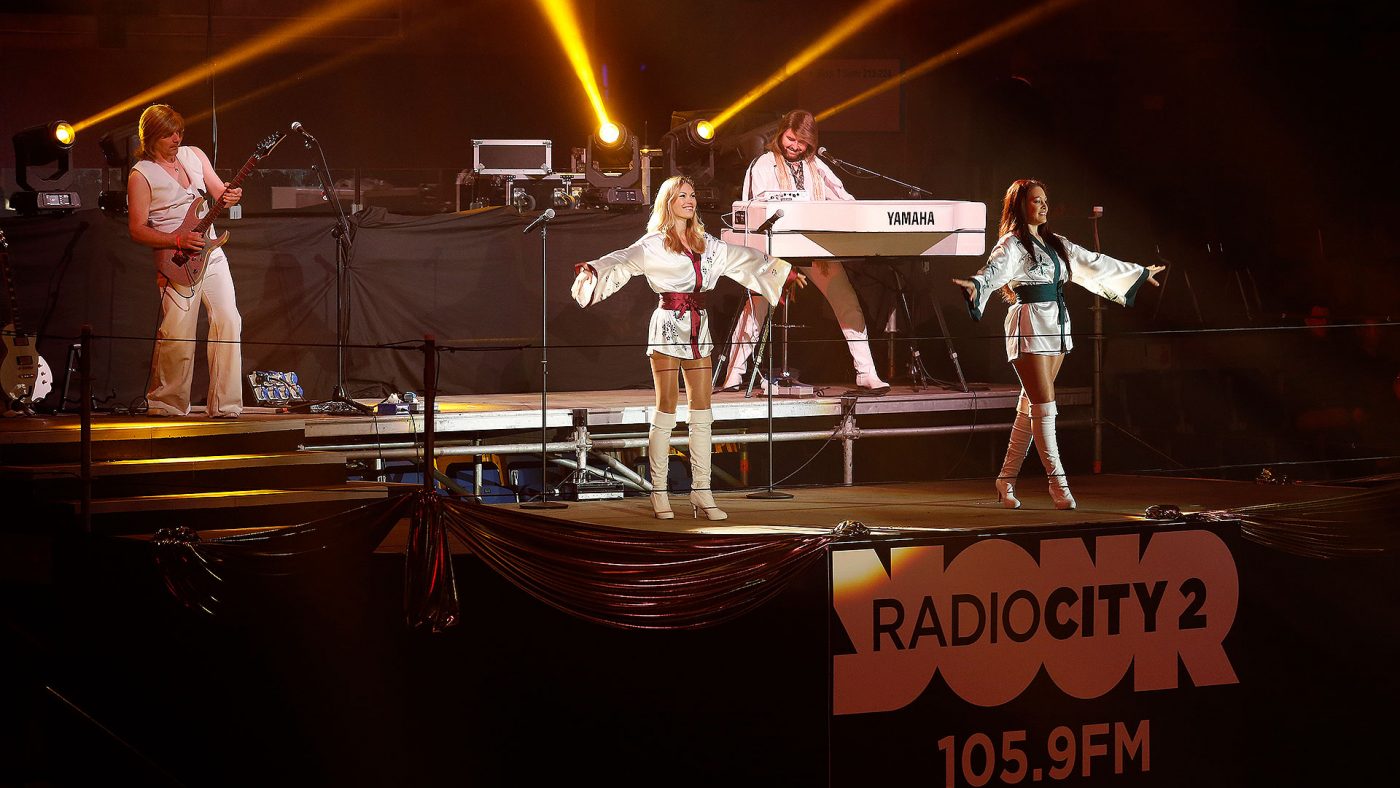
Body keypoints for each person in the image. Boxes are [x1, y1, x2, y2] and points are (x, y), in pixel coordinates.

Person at [572, 176, 800, 520]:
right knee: (666, 408)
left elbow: (741, 257)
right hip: (667, 327)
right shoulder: (653, 244)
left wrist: (784, 274)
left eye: (692, 195)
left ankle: (702, 492)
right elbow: (621, 259)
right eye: (682, 196)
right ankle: (659, 492)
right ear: (669, 202)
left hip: (699, 326)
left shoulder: (705, 241)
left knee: (702, 412)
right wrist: (593, 269)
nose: (690, 200)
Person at [953, 179, 1164, 509]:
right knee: (1045, 405)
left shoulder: (1056, 242)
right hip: (1030, 321)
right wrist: (976, 284)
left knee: (1031, 405)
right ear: (1020, 206)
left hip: (1057, 323)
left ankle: (1005, 481)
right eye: (1036, 201)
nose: (1043, 206)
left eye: (1045, 200)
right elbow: (994, 270)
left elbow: (1093, 261)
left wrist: (1136, 273)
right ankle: (1058, 485)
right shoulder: (1011, 243)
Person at [721, 109, 889, 394]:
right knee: (756, 307)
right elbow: (754, 208)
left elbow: (844, 199)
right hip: (773, 251)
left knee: (847, 301)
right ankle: (734, 374)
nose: (795, 147)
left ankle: (867, 373)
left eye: (802, 142)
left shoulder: (818, 166)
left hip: (814, 248)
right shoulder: (763, 164)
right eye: (790, 139)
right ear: (780, 134)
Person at [127, 103, 244, 418]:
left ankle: (226, 405)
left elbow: (220, 192)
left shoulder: (195, 155)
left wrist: (231, 195)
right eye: (168, 134)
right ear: (151, 137)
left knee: (229, 319)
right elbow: (137, 229)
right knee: (178, 329)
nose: (176, 139)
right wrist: (175, 239)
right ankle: (168, 402)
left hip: (211, 253)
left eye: (178, 132)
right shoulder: (141, 174)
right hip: (176, 258)